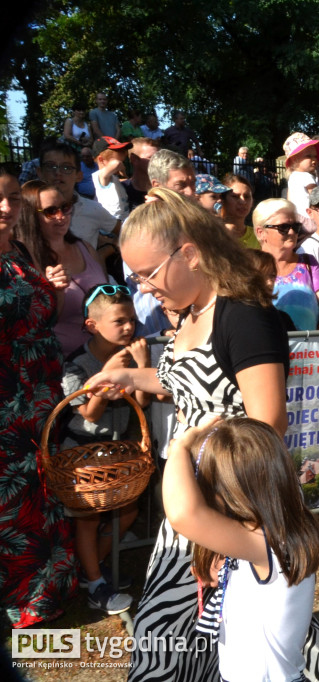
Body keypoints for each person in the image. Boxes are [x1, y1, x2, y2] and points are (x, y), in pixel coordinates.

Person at [85, 188, 319, 682]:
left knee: (187, 636)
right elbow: (193, 384)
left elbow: (267, 423)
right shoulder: (189, 314)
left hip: (230, 501)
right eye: (135, 277)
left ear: (191, 254)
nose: (144, 288)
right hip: (191, 497)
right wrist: (134, 378)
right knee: (211, 635)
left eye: (148, 275)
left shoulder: (244, 316)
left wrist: (223, 531)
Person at [163, 419, 319, 682]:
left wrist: (180, 449)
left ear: (227, 492)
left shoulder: (271, 543)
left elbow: (182, 514)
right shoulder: (278, 525)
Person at [0, 164, 77, 628]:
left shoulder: (22, 253)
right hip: (4, 410)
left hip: (41, 405)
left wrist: (52, 288)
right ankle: (17, 603)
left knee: (43, 500)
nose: (5, 207)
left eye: (11, 197)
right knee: (9, 509)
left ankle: (45, 596)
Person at [61, 284, 148, 615]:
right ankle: (97, 586)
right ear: (92, 325)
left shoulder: (129, 355)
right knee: (87, 518)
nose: (129, 328)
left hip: (115, 453)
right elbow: (89, 413)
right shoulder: (77, 364)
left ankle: (90, 567)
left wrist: (138, 369)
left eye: (132, 320)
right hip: (80, 453)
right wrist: (108, 373)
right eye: (120, 321)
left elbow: (140, 402)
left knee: (128, 512)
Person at [16, 180, 107, 357]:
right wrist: (55, 291)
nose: (61, 216)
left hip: (105, 355)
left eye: (65, 207)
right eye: (50, 211)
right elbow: (38, 324)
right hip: (64, 364)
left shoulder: (85, 248)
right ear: (31, 216)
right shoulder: (24, 261)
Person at [253, 198, 319, 336]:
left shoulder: (308, 263)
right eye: (283, 228)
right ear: (261, 232)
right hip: (266, 348)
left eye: (295, 227)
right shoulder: (250, 266)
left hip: (306, 353)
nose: (292, 232)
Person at [37, 141, 118, 254]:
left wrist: (106, 251)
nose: (58, 173)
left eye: (66, 168)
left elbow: (125, 232)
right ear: (40, 172)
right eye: (51, 166)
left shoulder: (93, 209)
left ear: (79, 176)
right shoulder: (27, 210)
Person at [282, 132, 319, 232]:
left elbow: (289, 200)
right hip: (309, 218)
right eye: (309, 156)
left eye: (315, 156)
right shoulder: (306, 176)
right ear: (295, 159)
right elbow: (317, 197)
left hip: (296, 218)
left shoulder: (293, 176)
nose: (314, 160)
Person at [90, 136, 132, 222]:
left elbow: (126, 182)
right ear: (101, 160)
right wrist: (121, 167)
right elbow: (116, 164)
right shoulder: (101, 176)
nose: (121, 163)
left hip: (123, 222)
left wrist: (124, 175)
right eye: (120, 161)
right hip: (110, 227)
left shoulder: (113, 178)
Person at [219, 172, 259, 248]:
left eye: (247, 196)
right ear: (222, 199)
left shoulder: (259, 236)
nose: (243, 201)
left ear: (252, 202)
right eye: (235, 196)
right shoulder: (214, 234)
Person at [121, 137, 160, 211]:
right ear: (134, 159)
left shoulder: (165, 190)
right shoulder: (121, 190)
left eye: (158, 157)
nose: (158, 162)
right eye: (151, 157)